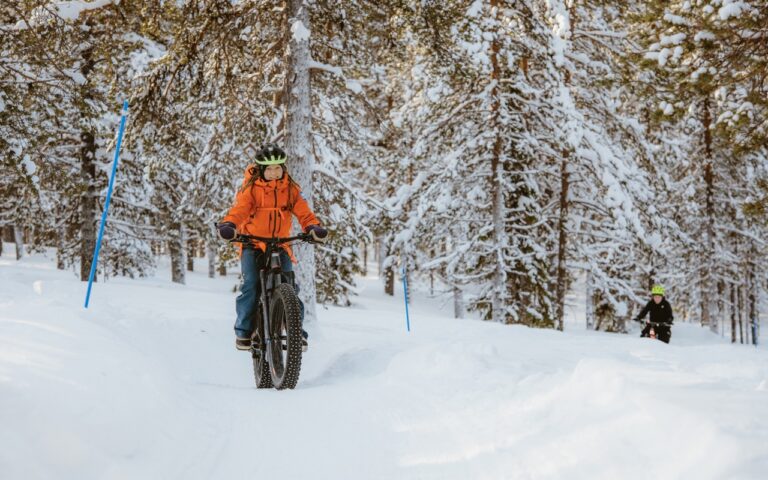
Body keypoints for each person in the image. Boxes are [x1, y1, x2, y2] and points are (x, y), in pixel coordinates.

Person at [217, 144, 328, 350]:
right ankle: (244, 332)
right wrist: (229, 225)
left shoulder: (291, 189)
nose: (274, 172)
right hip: (253, 243)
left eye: (278, 168)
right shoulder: (251, 189)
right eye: (269, 169)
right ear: (261, 170)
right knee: (251, 284)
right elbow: (239, 210)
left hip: (280, 243)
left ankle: (295, 331)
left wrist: (313, 227)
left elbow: (304, 212)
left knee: (289, 286)